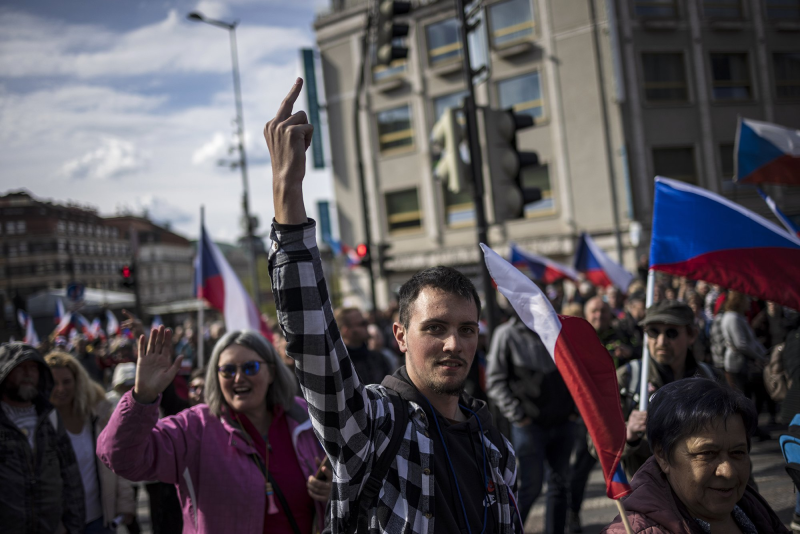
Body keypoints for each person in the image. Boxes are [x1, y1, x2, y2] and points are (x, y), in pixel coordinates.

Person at [265, 78, 520, 533]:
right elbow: (313, 343)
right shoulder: (372, 425)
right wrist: (288, 192)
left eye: (466, 329)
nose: (453, 344)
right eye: (435, 328)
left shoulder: (497, 448)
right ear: (400, 335)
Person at [97, 327, 330, 533]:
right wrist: (142, 397)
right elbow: (120, 458)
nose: (238, 378)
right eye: (227, 370)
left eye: (250, 367)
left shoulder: (305, 419)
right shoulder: (194, 428)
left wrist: (335, 493)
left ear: (271, 372)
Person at [603, 378, 789, 533]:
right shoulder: (635, 530)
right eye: (707, 453)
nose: (728, 472)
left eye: (738, 453)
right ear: (663, 455)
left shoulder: (751, 505)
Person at [486, 309, 576, 533]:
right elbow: (495, 381)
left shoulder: (558, 329)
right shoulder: (506, 334)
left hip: (563, 422)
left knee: (559, 485)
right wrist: (518, 414)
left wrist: (574, 409)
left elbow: (576, 371)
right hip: (530, 426)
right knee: (530, 487)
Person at [615, 299, 717, 479]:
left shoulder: (711, 379)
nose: (661, 341)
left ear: (691, 335)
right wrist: (628, 433)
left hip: (702, 492)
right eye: (653, 332)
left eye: (671, 333)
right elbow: (597, 444)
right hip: (647, 496)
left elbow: (734, 443)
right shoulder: (627, 378)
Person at [45, 351, 135, 533]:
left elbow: (117, 458)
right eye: (54, 383)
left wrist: (125, 501)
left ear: (77, 382)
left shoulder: (98, 414)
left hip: (100, 520)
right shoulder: (40, 424)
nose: (61, 389)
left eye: (67, 382)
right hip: (61, 525)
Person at [0, 342, 85, 533]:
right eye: (20, 368)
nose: (28, 374)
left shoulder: (51, 418)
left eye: (33, 368)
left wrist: (74, 527)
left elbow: (71, 478)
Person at [721, 291, 767, 393]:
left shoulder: (737, 317)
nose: (749, 302)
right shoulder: (733, 318)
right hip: (738, 365)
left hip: (741, 365)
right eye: (747, 299)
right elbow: (741, 344)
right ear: (739, 301)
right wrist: (760, 357)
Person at [334, 307, 393, 385]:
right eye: (362, 323)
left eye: (366, 322)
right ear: (346, 331)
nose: (367, 325)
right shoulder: (339, 364)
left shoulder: (378, 358)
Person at [585, 296, 634, 368]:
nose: (599, 315)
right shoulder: (579, 339)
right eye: (594, 311)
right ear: (586, 315)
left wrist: (629, 353)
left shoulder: (624, 335)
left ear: (610, 314)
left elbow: (640, 354)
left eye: (603, 311)